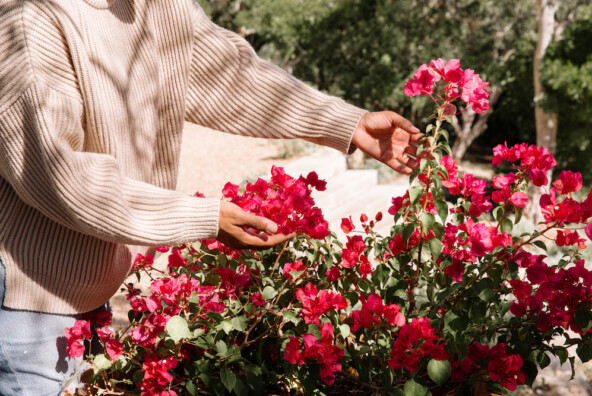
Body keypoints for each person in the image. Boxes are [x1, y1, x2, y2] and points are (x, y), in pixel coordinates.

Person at [0, 0, 422, 394]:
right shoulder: (29, 19)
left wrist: (347, 123)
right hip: (24, 301)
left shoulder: (154, 7)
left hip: (83, 288)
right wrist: (202, 217)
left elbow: (232, 76)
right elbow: (61, 176)